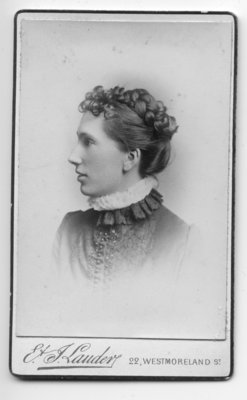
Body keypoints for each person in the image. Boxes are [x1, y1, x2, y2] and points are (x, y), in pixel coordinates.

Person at [49, 85, 218, 338]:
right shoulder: (69, 231)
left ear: (130, 158)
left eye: (89, 142)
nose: (73, 156)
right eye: (78, 141)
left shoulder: (182, 241)